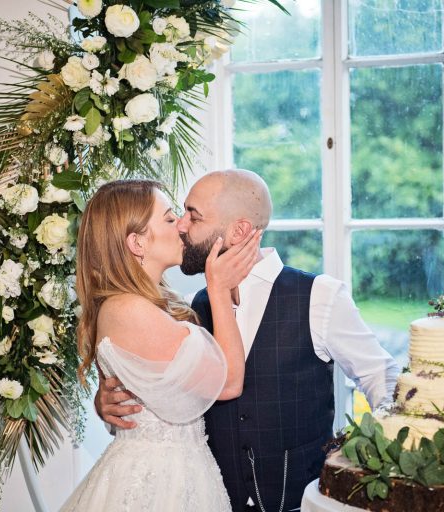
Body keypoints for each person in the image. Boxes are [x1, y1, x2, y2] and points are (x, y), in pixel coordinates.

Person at [97, 170, 401, 512]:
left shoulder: (320, 296)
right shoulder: (195, 306)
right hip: (209, 497)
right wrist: (110, 402)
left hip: (300, 502)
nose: (182, 226)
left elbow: (379, 375)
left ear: (239, 231)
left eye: (193, 216)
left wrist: (381, 455)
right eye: (177, 215)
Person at [61, 179, 262, 512]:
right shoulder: (128, 309)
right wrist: (219, 291)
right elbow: (228, 384)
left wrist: (104, 402)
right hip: (157, 483)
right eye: (170, 218)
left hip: (187, 471)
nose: (182, 227)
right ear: (138, 242)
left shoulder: (154, 305)